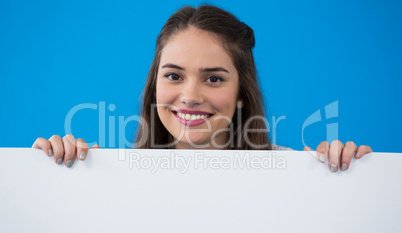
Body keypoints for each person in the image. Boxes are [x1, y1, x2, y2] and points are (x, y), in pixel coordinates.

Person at [32, 4, 372, 172]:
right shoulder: (111, 176)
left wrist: (346, 176)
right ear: (155, 86)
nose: (191, 96)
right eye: (174, 76)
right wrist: (57, 168)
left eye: (213, 78)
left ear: (242, 91)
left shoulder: (296, 175)